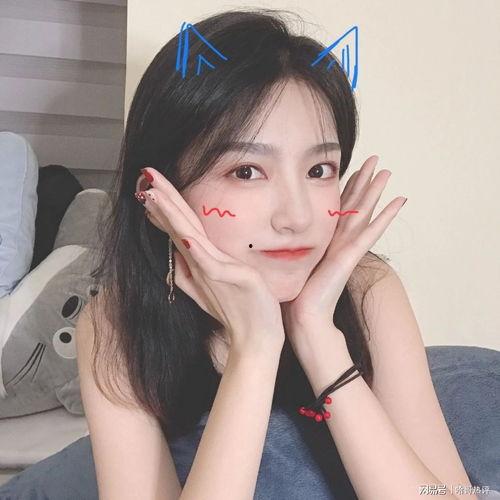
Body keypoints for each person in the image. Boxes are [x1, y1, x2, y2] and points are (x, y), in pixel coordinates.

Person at [0, 7, 490, 500]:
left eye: (319, 170)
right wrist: (254, 348)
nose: (296, 217)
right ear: (158, 191)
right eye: (246, 172)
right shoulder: (116, 324)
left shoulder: (366, 289)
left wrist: (317, 335)